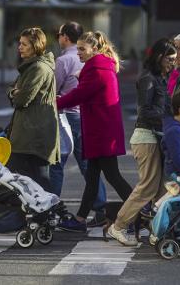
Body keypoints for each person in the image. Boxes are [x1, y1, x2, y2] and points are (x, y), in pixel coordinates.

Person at [56, 31, 132, 233]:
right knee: (92, 177)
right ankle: (80, 219)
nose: (78, 52)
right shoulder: (102, 66)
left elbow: (79, 96)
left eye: (82, 49)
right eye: (78, 48)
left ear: (95, 49)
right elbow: (91, 94)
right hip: (103, 131)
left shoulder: (95, 69)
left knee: (112, 175)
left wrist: (52, 103)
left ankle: (141, 210)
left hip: (101, 132)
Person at [107, 39, 176, 246]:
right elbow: (144, 110)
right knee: (147, 187)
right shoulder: (148, 78)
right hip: (146, 136)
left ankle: (157, 230)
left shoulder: (160, 78)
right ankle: (118, 226)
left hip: (156, 136)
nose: (172, 63)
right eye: (169, 59)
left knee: (161, 188)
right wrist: (168, 119)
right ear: (159, 57)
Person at [49, 21, 107, 227]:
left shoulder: (63, 60)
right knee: (87, 164)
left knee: (56, 163)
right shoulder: (92, 59)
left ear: (65, 37)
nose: (58, 38)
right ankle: (100, 208)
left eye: (59, 34)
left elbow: (53, 89)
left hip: (66, 115)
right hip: (85, 116)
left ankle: (50, 207)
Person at [6, 27, 60, 192]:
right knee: (28, 179)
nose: (19, 47)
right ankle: (39, 213)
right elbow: (12, 89)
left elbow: (22, 99)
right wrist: (14, 92)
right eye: (19, 43)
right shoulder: (30, 67)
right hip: (29, 135)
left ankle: (51, 212)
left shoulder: (38, 68)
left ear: (35, 46)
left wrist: (15, 93)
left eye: (24, 44)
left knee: (38, 180)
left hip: (33, 136)